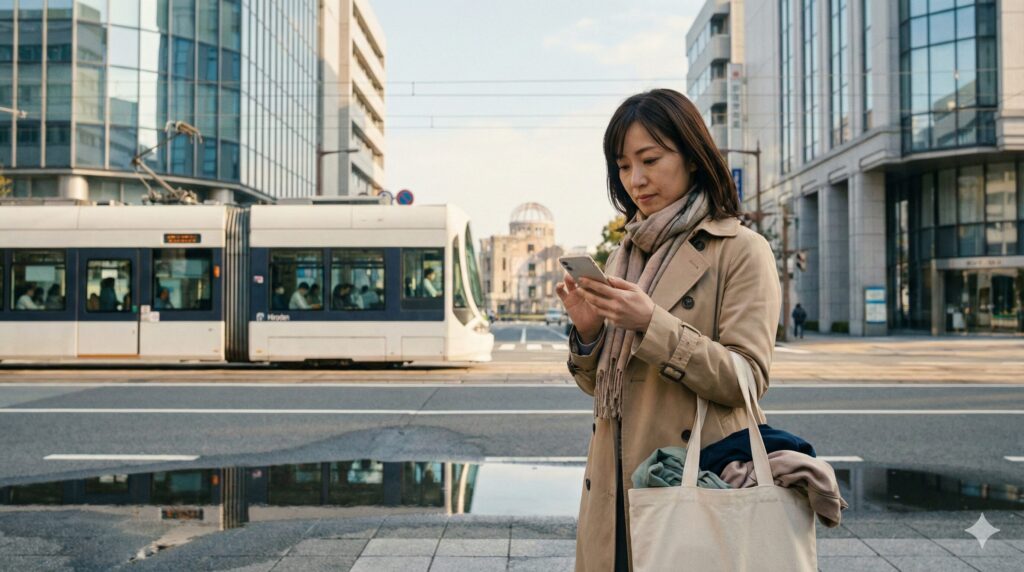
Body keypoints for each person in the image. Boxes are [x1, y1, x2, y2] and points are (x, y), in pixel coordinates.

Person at [555, 89, 781, 572]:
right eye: (623, 166)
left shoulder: (741, 249)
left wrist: (651, 324)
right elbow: (607, 390)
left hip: (688, 480)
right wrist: (590, 334)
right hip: (614, 488)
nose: (635, 179)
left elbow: (746, 377)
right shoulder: (625, 254)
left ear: (693, 158)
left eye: (650, 160)